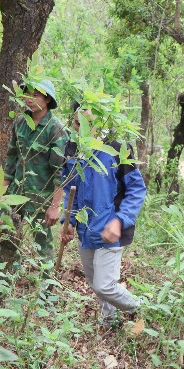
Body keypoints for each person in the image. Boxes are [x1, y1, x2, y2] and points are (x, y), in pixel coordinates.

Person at [61, 104, 147, 328]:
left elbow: (137, 190)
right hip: (85, 229)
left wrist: (119, 220)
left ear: (101, 122)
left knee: (105, 285)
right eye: (78, 123)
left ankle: (142, 309)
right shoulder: (72, 148)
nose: (82, 129)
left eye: (89, 123)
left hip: (112, 230)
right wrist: (68, 220)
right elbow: (70, 188)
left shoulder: (118, 149)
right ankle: (110, 321)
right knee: (94, 281)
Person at [2, 80, 68, 263]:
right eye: (27, 94)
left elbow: (60, 172)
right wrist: (1, 193)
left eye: (35, 95)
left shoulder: (56, 129)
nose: (29, 99)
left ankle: (45, 281)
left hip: (41, 198)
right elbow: (11, 159)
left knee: (42, 245)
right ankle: (7, 275)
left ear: (47, 99)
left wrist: (54, 206)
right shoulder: (20, 123)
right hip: (16, 194)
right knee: (7, 238)